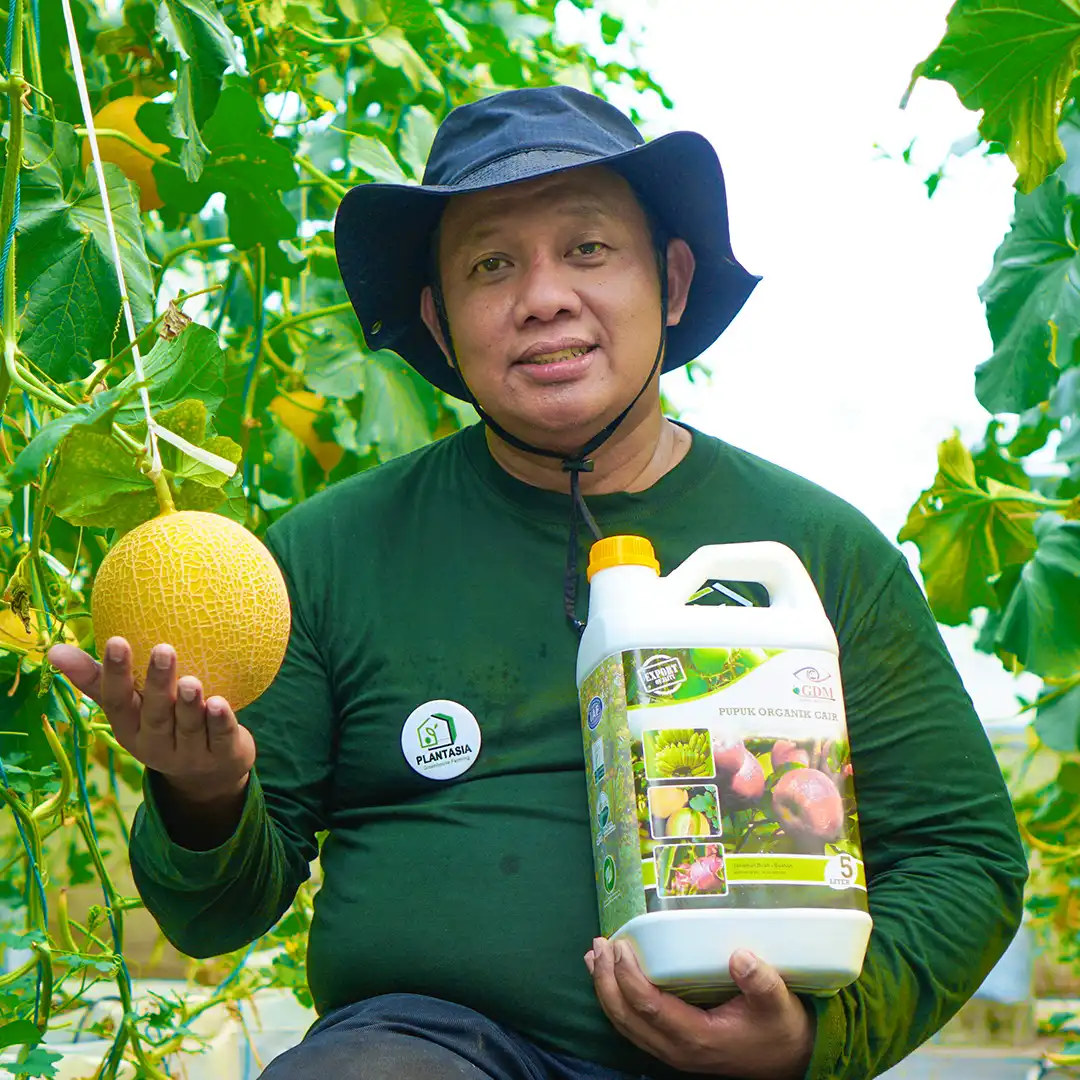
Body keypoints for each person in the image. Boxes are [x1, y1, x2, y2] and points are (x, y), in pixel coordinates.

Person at [49, 86, 1028, 1080]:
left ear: (674, 280)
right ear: (438, 319)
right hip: (423, 1050)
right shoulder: (330, 553)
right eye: (491, 263)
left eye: (589, 248)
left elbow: (966, 858)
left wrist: (810, 1039)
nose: (544, 295)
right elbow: (214, 911)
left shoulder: (820, 551)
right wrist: (203, 791)